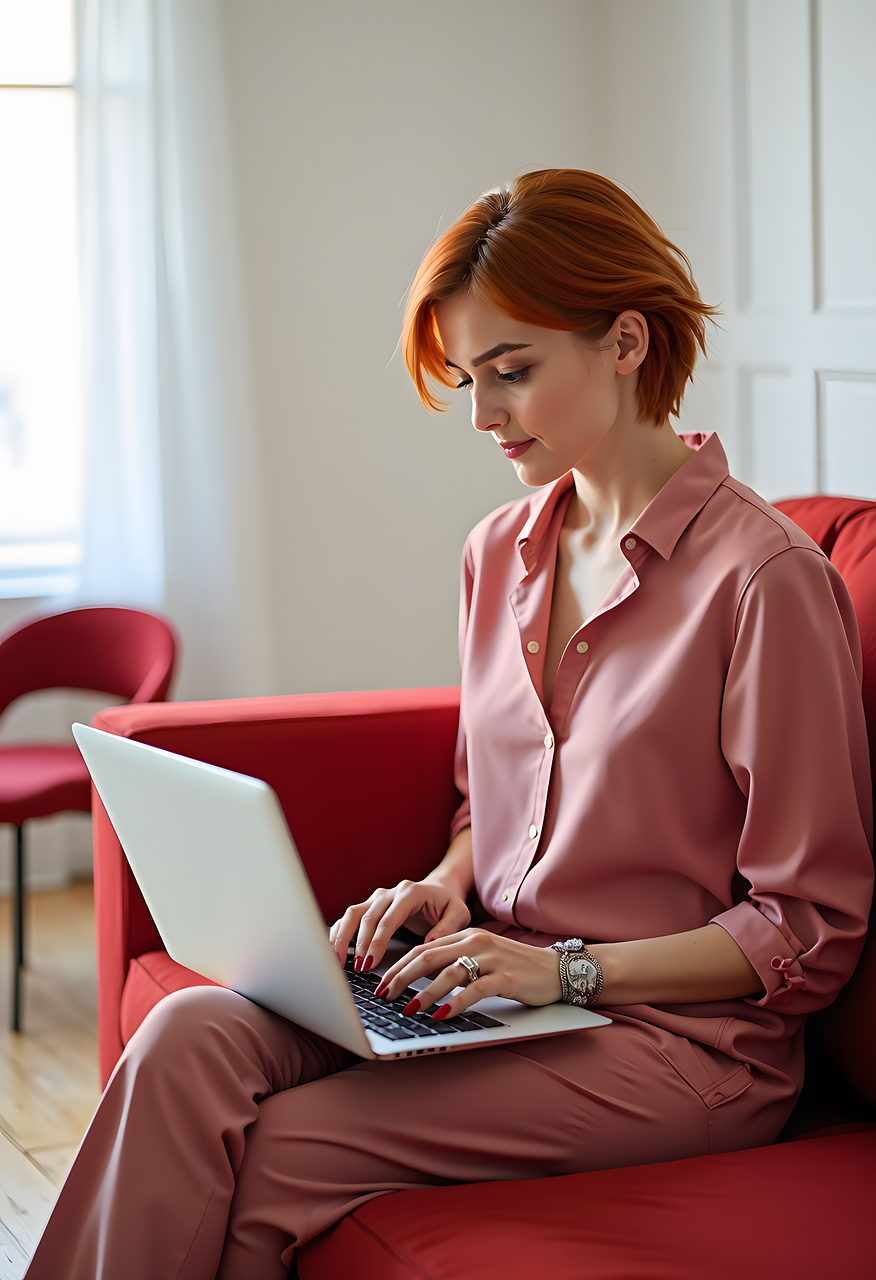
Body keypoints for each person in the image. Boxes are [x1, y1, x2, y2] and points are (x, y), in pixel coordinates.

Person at [27, 170, 873, 1280]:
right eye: (469, 380)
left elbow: (808, 927)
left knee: (279, 1151)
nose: (481, 416)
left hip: (676, 1049)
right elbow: (494, 804)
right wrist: (444, 881)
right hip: (492, 981)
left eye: (511, 372)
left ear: (625, 340)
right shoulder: (498, 552)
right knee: (187, 1036)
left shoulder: (764, 579)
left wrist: (566, 974)